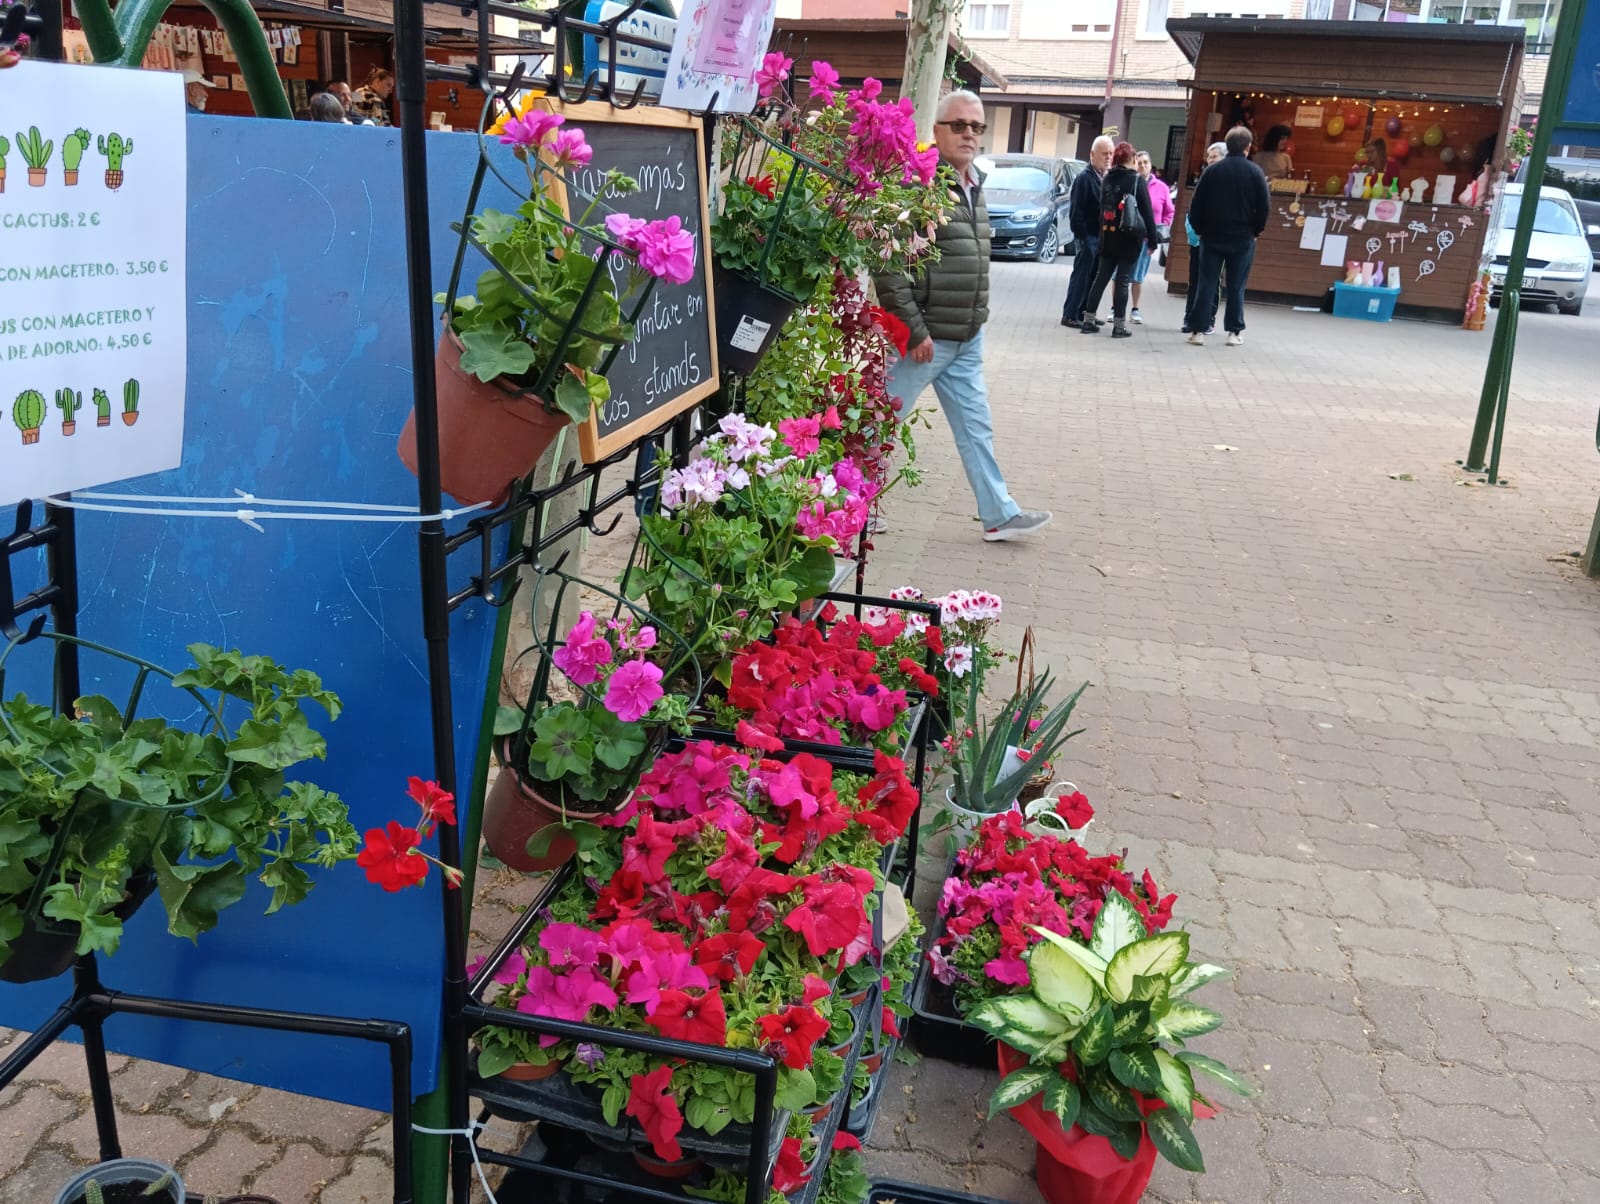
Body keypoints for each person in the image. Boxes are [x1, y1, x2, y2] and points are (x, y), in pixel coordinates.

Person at [873, 89, 1052, 544]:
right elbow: (889, 264)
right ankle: (846, 508)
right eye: (959, 125)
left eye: (977, 127)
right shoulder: (917, 184)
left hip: (966, 336)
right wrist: (912, 329)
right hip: (924, 340)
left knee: (977, 428)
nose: (969, 134)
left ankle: (998, 514)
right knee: (877, 423)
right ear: (936, 130)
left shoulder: (974, 185)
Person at [1186, 126, 1269, 348]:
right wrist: (1255, 231)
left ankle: (1198, 331)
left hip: (1212, 237)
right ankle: (1233, 332)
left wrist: (1201, 229)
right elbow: (1263, 208)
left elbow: (1196, 206)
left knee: (1207, 283)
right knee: (1236, 286)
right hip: (1242, 239)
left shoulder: (1212, 172)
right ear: (1248, 147)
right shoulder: (1256, 173)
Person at [1079, 142, 1160, 339]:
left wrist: (1101, 237)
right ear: (1132, 159)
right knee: (1123, 280)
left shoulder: (1107, 178)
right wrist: (1153, 240)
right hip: (1129, 238)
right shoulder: (1136, 180)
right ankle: (1119, 326)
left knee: (1101, 278)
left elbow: (1101, 210)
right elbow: (1148, 212)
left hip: (1108, 235)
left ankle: (1088, 321)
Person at [1060, 136, 1114, 328]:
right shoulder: (1084, 178)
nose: (1108, 157)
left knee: (1092, 278)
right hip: (1088, 237)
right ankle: (1070, 315)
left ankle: (1084, 312)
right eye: (1104, 153)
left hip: (1100, 238)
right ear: (1092, 154)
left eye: (1110, 153)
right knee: (1081, 277)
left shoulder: (1104, 177)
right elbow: (1076, 213)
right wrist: (1083, 237)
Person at [1181, 142, 1227, 337]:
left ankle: (1209, 319)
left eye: (1214, 156)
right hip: (1198, 239)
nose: (1210, 160)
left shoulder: (1228, 181)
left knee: (1212, 281)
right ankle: (1189, 317)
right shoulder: (1203, 179)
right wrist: (1193, 230)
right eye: (1209, 156)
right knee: (1194, 281)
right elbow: (1194, 207)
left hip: (1217, 240)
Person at [1129, 149, 1174, 324]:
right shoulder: (1131, 183)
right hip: (1130, 236)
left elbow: (1170, 211)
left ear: (1151, 165)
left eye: (1145, 162)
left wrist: (1162, 226)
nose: (1142, 166)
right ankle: (1114, 308)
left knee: (1138, 276)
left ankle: (1135, 308)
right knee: (1119, 274)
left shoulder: (1161, 187)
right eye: (1139, 163)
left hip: (1148, 239)